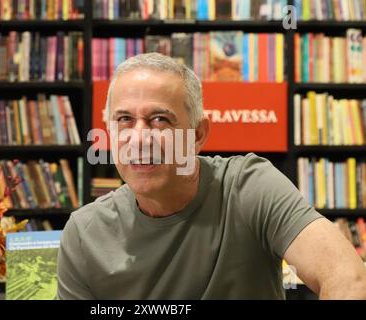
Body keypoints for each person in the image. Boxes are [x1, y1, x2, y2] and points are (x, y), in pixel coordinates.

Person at [57, 53, 366, 299]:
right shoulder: (84, 233)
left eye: (160, 120)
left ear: (198, 134)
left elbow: (349, 279)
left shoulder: (248, 186)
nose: (139, 138)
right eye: (124, 119)